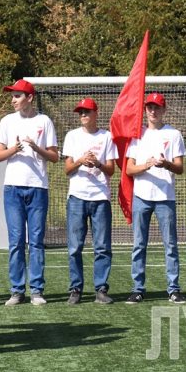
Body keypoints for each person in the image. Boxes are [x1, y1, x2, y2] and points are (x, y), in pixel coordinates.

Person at [0, 79, 58, 306]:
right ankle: (17, 290)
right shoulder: (7, 122)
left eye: (17, 96)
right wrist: (15, 148)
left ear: (29, 98)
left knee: (37, 241)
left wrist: (35, 147)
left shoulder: (44, 121)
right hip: (12, 188)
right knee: (16, 240)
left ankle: (37, 290)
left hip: (38, 187)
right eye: (12, 96)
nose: (13, 100)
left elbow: (54, 156)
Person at [125, 93, 186, 304]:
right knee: (139, 244)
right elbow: (130, 168)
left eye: (157, 107)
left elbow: (180, 168)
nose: (153, 111)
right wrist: (147, 165)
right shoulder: (136, 134)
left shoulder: (174, 134)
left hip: (165, 196)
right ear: (144, 110)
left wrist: (166, 164)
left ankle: (173, 288)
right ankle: (138, 288)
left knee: (170, 245)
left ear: (164, 110)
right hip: (142, 195)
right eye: (149, 107)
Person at [63, 97, 118, 304]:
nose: (83, 115)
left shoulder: (106, 137)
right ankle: (75, 289)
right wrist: (80, 161)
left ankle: (101, 289)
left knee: (102, 246)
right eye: (80, 112)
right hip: (77, 197)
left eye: (87, 112)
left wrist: (97, 162)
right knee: (75, 246)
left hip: (100, 197)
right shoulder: (72, 136)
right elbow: (67, 169)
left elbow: (111, 170)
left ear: (96, 113)